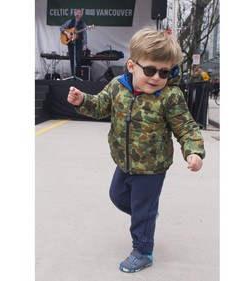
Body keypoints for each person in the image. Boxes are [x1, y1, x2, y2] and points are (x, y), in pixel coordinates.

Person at [67, 28, 205, 273]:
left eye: (165, 72)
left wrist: (193, 150)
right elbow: (100, 107)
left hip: (152, 167)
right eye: (150, 70)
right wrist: (83, 101)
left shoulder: (170, 96)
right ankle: (147, 213)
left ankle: (143, 251)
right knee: (117, 196)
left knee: (141, 214)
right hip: (124, 161)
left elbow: (185, 125)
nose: (156, 77)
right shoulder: (117, 87)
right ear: (131, 66)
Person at [60, 8, 88, 78]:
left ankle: (78, 76)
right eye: (77, 12)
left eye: (79, 12)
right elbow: (61, 28)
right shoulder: (70, 21)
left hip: (78, 44)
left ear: (81, 15)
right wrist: (67, 33)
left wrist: (85, 44)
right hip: (71, 43)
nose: (78, 13)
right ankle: (73, 75)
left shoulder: (83, 24)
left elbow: (84, 35)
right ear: (74, 14)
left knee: (78, 59)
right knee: (72, 59)